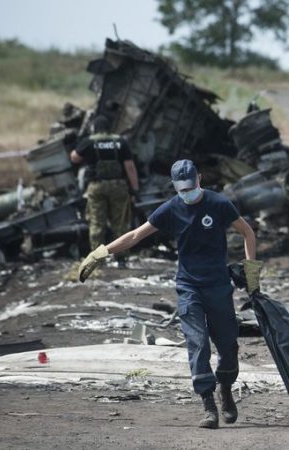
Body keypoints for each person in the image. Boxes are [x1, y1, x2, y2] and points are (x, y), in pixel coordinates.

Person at [77, 159, 263, 430]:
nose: (186, 193)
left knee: (228, 346)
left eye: (190, 187)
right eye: (181, 189)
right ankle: (208, 404)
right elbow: (135, 235)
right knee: (197, 343)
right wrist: (101, 252)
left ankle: (225, 388)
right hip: (189, 287)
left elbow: (247, 232)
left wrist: (252, 273)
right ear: (175, 187)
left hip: (219, 286)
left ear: (199, 179)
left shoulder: (219, 203)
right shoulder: (171, 209)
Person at [70, 115, 139, 254]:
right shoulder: (120, 141)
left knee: (97, 223)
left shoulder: (89, 141)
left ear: (94, 128)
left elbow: (74, 158)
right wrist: (135, 190)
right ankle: (121, 258)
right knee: (120, 224)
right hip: (118, 187)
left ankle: (97, 260)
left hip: (97, 187)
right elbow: (130, 167)